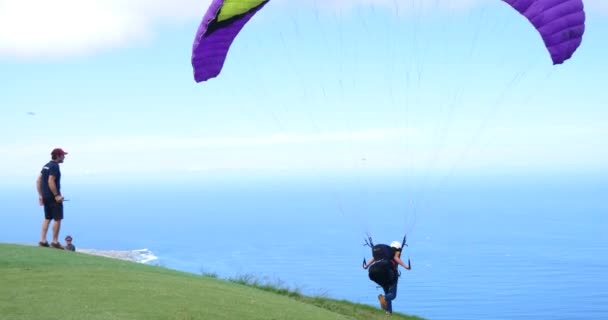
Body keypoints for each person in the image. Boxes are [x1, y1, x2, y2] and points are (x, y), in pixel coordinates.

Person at [363, 240, 411, 315]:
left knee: (387, 292)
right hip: (390, 275)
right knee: (392, 295)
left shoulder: (384, 254)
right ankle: (384, 298)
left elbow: (374, 258)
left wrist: (366, 266)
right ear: (398, 249)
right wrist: (406, 267)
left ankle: (388, 312)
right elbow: (397, 259)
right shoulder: (394, 254)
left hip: (378, 274)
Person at [36, 148, 68, 249]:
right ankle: (54, 241)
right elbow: (50, 181)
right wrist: (56, 195)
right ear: (58, 156)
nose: (64, 157)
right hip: (53, 197)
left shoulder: (46, 166)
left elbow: (38, 180)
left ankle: (43, 240)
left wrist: (40, 195)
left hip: (45, 196)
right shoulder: (54, 166)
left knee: (47, 218)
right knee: (58, 219)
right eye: (63, 155)